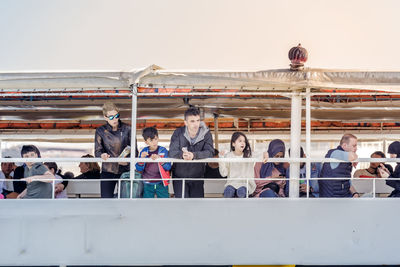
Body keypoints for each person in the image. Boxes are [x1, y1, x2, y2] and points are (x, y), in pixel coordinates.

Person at [169, 107, 214, 198]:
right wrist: (182, 155)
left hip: (197, 176)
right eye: (192, 121)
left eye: (197, 120)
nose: (196, 124)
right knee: (182, 206)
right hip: (179, 177)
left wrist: (194, 155)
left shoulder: (206, 133)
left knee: (197, 207)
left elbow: (210, 152)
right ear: (185, 122)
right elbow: (172, 152)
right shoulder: (178, 133)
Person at [95, 102, 131, 198]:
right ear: (105, 117)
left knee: (126, 199)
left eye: (116, 116)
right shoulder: (100, 130)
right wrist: (102, 155)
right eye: (111, 117)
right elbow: (97, 151)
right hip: (108, 170)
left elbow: (134, 150)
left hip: (125, 170)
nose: (115, 119)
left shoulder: (128, 128)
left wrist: (127, 162)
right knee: (106, 201)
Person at [219, 132, 267, 198]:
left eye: (244, 141)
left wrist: (265, 153)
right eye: (240, 141)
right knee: (228, 192)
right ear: (233, 144)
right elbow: (224, 173)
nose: (243, 143)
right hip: (231, 184)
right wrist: (221, 159)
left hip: (245, 184)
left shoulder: (249, 155)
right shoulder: (228, 156)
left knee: (241, 192)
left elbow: (261, 155)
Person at [319, 133, 359, 198]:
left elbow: (347, 181)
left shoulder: (346, 158)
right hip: (332, 199)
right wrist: (355, 158)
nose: (356, 148)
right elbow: (352, 156)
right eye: (354, 146)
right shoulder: (335, 153)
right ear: (344, 145)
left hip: (343, 197)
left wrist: (355, 193)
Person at [136, 127, 171, 198]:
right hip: (147, 183)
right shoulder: (143, 151)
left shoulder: (163, 150)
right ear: (146, 142)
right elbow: (139, 169)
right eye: (151, 140)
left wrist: (160, 160)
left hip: (161, 182)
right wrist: (141, 159)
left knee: (165, 203)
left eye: (155, 139)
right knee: (147, 204)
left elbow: (168, 167)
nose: (154, 142)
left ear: (158, 138)